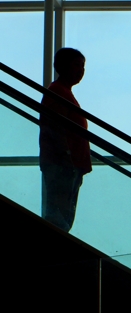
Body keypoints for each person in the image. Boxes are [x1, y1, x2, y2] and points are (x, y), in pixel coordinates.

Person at [39, 47, 91, 232]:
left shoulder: (63, 92)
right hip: (64, 165)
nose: (81, 70)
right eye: (77, 65)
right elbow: (55, 127)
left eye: (83, 66)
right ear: (63, 65)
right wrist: (66, 156)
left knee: (62, 216)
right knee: (60, 218)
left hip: (67, 165)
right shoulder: (58, 92)